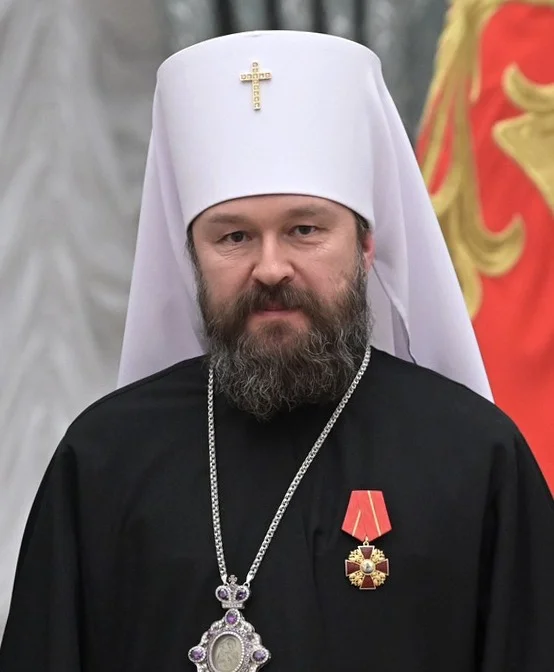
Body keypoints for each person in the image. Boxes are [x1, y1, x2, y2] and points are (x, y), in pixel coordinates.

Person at [0, 30, 553, 672]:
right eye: (233, 237)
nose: (270, 267)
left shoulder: (473, 455)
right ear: (192, 256)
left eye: (304, 230)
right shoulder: (104, 459)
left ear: (366, 246)